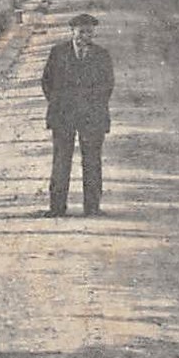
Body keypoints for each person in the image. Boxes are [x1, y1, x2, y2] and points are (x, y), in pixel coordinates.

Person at [40, 12, 116, 217]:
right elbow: (47, 81)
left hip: (92, 116)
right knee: (61, 161)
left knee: (92, 161)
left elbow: (108, 84)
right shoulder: (58, 53)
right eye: (81, 31)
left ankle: (92, 207)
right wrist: (59, 103)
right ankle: (57, 208)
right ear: (72, 32)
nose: (85, 36)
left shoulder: (102, 55)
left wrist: (92, 105)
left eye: (89, 32)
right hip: (63, 115)